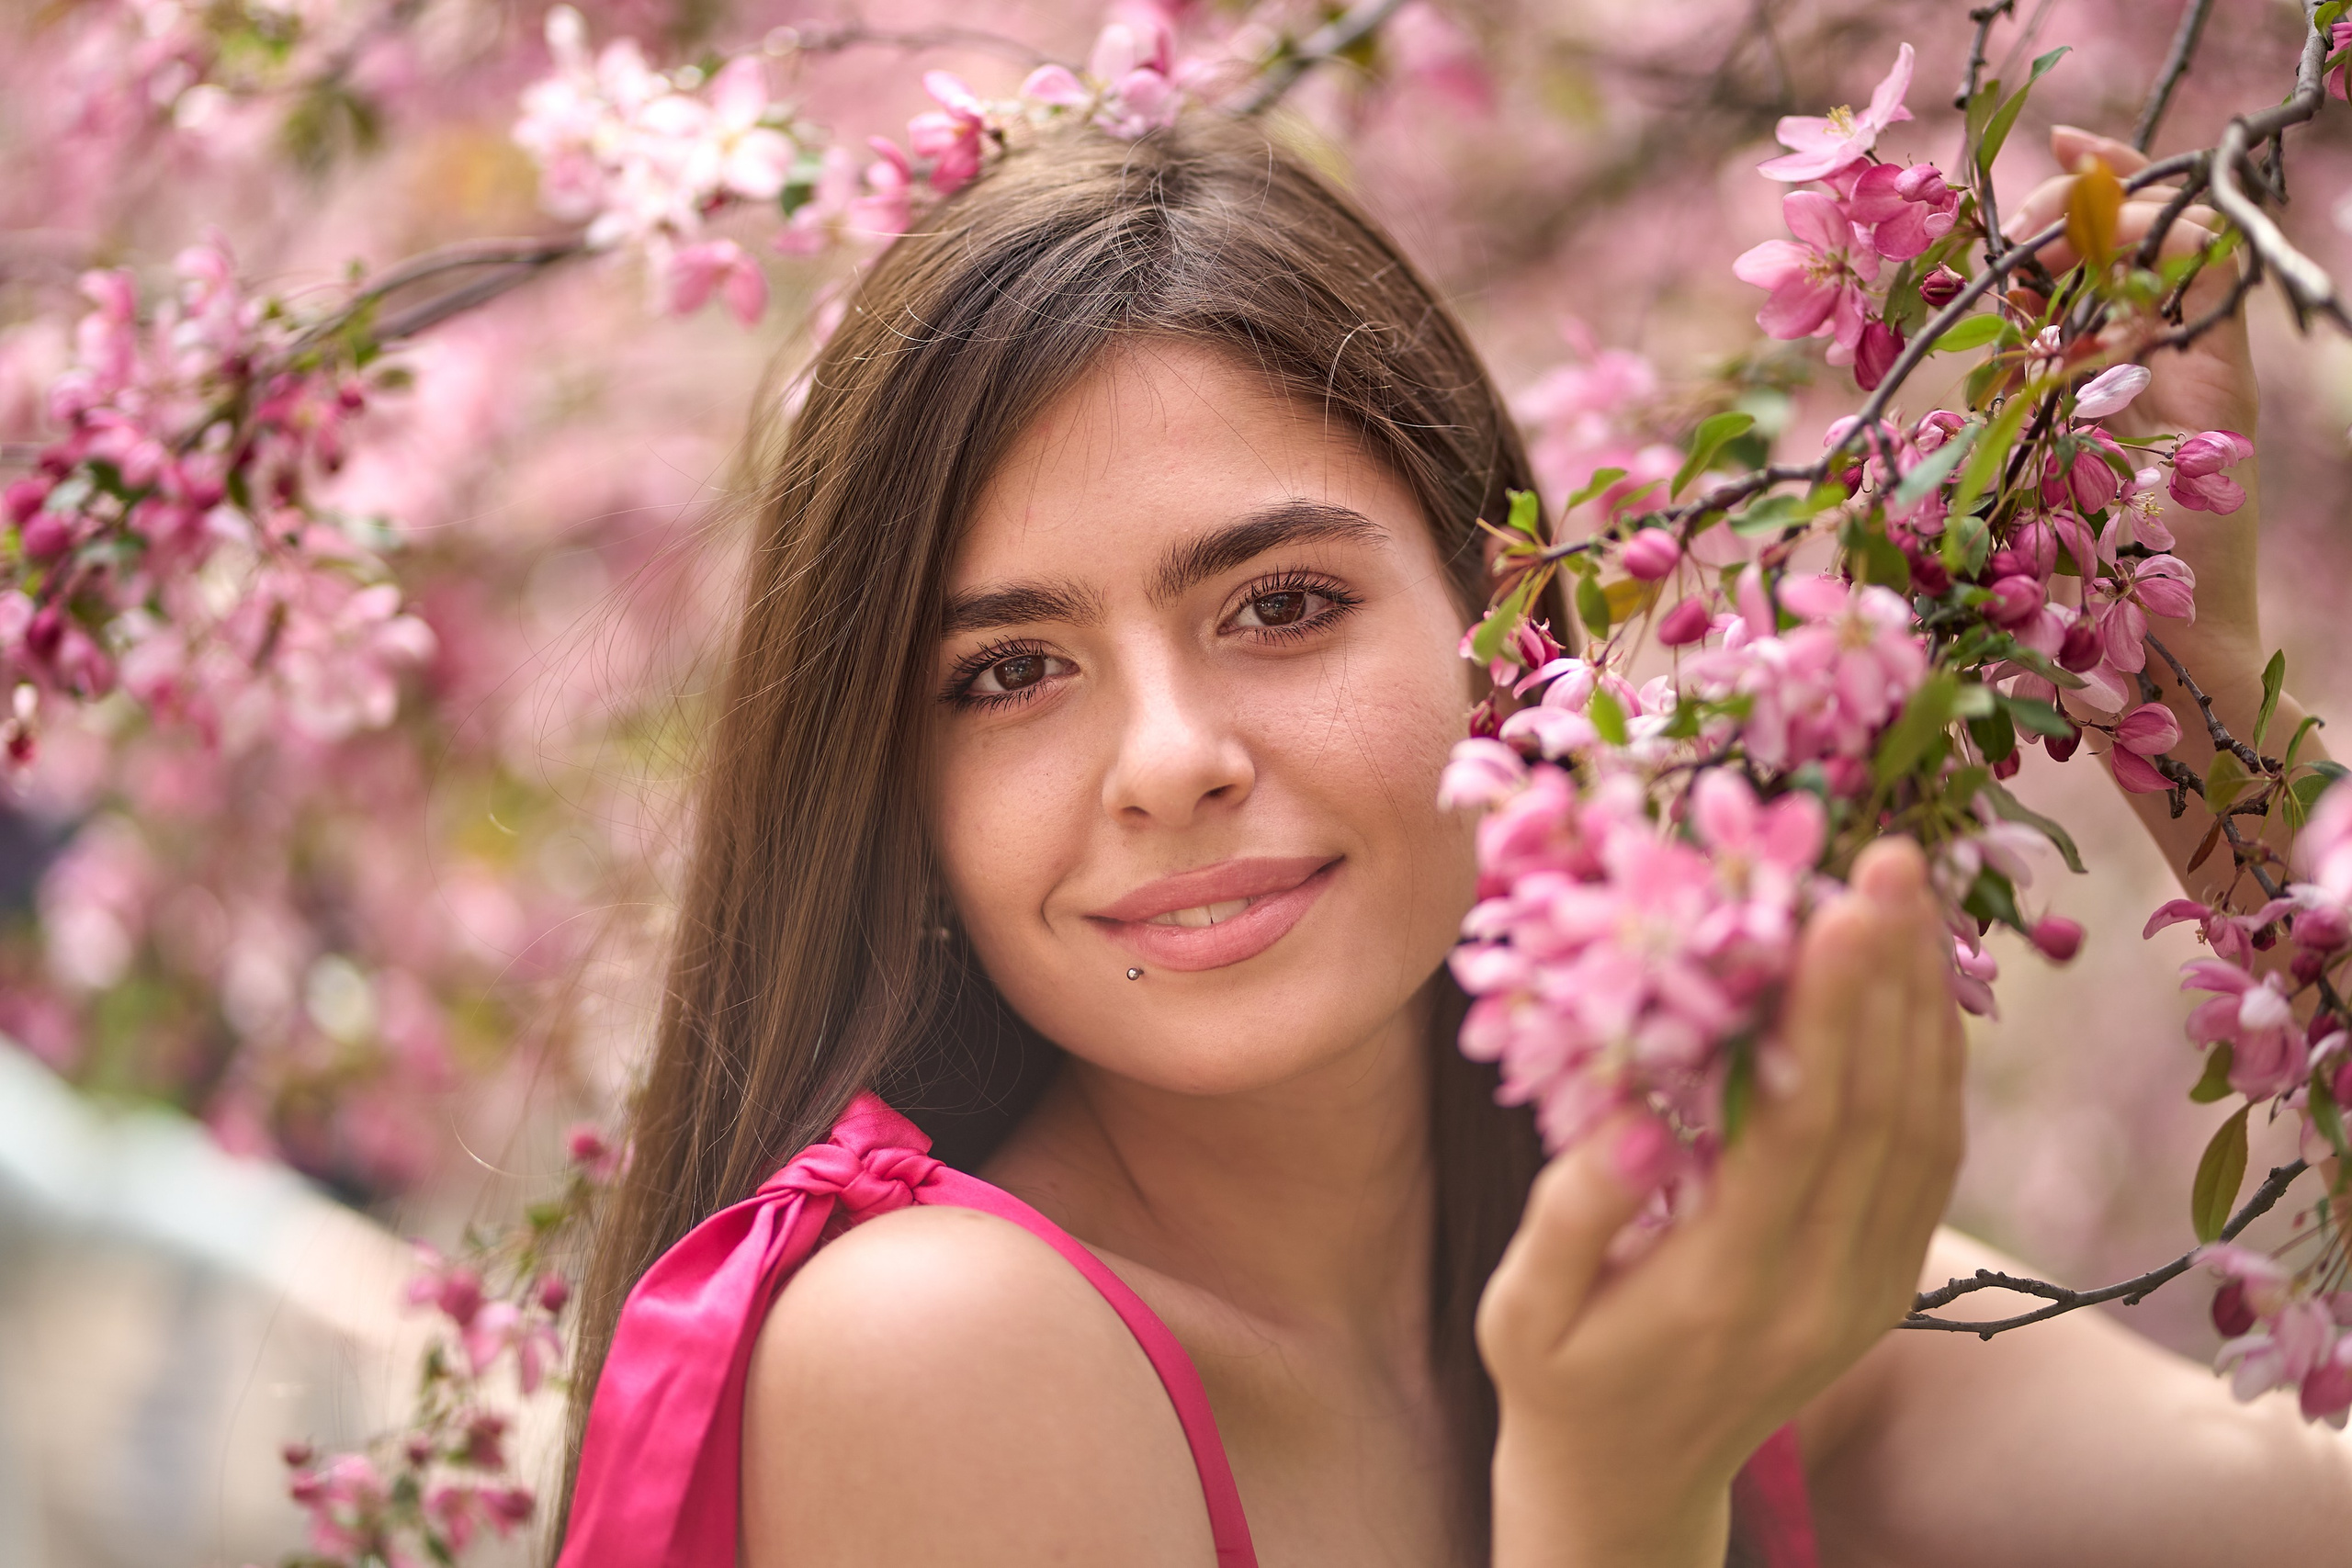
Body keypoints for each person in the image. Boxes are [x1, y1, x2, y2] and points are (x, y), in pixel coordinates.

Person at [552, 113, 2352, 1567]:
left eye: (1277, 604)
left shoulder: (1676, 1264)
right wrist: (1610, 1511)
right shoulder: (933, 1347)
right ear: (894, 781)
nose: (1167, 760)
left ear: (1514, 620)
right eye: (1009, 669)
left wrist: (2220, 755)